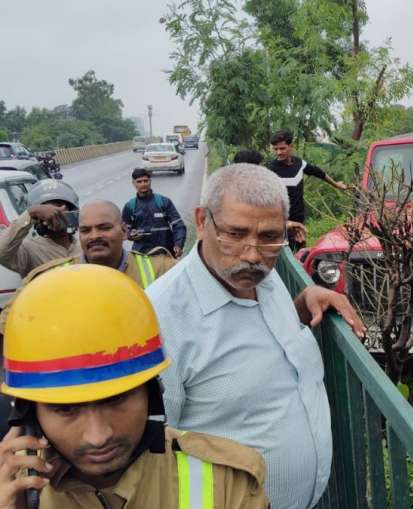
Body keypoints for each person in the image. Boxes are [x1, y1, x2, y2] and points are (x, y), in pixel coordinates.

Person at [146, 164, 366, 509]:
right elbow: (150, 452)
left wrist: (303, 305)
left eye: (269, 237)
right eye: (234, 234)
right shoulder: (159, 319)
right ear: (202, 221)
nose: (251, 254)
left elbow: (258, 340)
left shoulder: (259, 274)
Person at [0, 265, 268, 508]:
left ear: (152, 393)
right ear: (29, 414)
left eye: (116, 399)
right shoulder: (12, 492)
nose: (98, 436)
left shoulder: (228, 484)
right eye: (66, 409)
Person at [0, 201, 178, 330]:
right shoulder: (50, 277)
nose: (94, 236)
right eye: (86, 230)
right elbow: (8, 323)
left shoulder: (161, 269)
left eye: (104, 228)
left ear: (124, 232)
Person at [268, 130, 348, 247]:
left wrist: (336, 184)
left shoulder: (299, 163)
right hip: (282, 225)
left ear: (291, 146)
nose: (278, 152)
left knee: (300, 255)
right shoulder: (271, 170)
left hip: (299, 223)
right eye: (275, 149)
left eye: (282, 148)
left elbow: (318, 172)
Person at [0, 180, 81, 278]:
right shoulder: (29, 250)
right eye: (46, 208)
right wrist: (30, 213)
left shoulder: (84, 245)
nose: (53, 214)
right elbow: (2, 251)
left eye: (59, 206)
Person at [122, 168, 187, 257]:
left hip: (166, 252)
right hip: (142, 254)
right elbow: (124, 231)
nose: (143, 184)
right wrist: (130, 235)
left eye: (146, 181)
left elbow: (178, 225)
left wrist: (178, 245)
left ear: (150, 181)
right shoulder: (129, 206)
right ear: (133, 183)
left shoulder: (164, 202)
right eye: (139, 181)